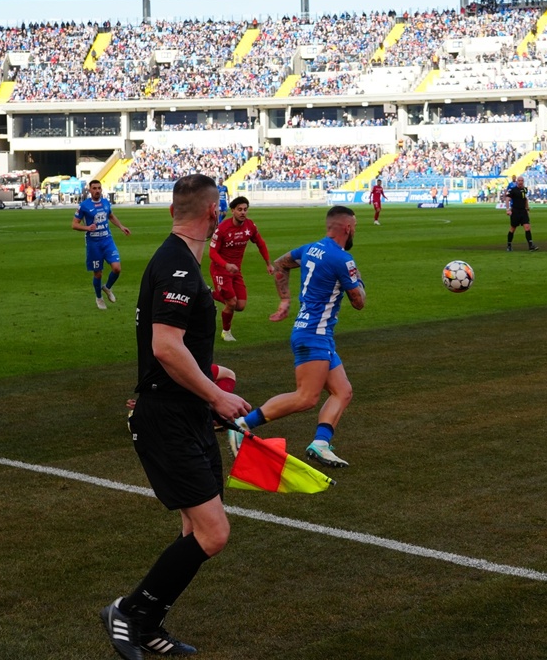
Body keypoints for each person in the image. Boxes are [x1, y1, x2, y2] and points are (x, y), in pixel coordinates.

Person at [101, 173, 252, 660]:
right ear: (214, 212)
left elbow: (174, 346)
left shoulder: (182, 261)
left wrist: (209, 372)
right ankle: (128, 611)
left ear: (172, 210)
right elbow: (165, 347)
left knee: (195, 530)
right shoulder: (178, 268)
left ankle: (146, 624)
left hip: (186, 414)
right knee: (214, 532)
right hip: (168, 418)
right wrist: (216, 396)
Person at [234, 205, 366, 468]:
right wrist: (358, 279)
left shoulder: (310, 249)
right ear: (348, 228)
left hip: (315, 332)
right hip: (314, 334)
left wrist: (285, 300)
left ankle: (320, 444)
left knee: (343, 391)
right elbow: (358, 302)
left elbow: (280, 264)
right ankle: (242, 425)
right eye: (355, 227)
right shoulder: (343, 259)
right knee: (306, 397)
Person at [208, 195, 284, 341]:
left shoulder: (250, 226)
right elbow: (212, 252)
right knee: (231, 302)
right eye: (239, 209)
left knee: (240, 305)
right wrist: (226, 265)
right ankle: (226, 332)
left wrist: (268, 263)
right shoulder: (222, 229)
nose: (243, 212)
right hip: (220, 269)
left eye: (245, 209)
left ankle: (208, 294)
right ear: (232, 211)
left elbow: (260, 243)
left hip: (236, 270)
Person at [72, 179, 131, 310]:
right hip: (93, 243)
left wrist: (121, 226)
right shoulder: (84, 206)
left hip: (107, 240)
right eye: (94, 188)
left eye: (99, 188)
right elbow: (74, 224)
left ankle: (107, 287)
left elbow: (111, 216)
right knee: (98, 274)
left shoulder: (105, 202)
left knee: (117, 268)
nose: (97, 190)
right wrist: (87, 228)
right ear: (90, 190)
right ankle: (99, 298)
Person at [505, 175, 539, 251]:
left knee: (527, 227)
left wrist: (527, 208)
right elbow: (507, 199)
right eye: (519, 181)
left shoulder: (525, 189)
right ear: (517, 181)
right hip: (515, 211)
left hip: (523, 211)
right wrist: (508, 209)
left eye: (522, 181)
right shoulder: (512, 190)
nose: (520, 182)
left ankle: (531, 246)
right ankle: (509, 245)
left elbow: (525, 199)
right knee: (513, 228)